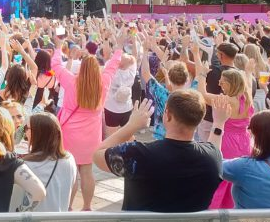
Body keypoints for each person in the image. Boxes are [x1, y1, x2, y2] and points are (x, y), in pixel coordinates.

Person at [93, 91, 222, 212]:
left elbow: (97, 155)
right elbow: (214, 148)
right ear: (200, 118)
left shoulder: (138, 154)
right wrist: (219, 123)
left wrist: (132, 125)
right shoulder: (212, 158)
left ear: (168, 115)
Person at [52, 38, 121, 211]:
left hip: (69, 133)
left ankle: (68, 207)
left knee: (72, 171)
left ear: (81, 68)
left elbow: (56, 66)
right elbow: (113, 65)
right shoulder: (103, 82)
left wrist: (59, 46)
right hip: (92, 134)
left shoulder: (71, 81)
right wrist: (118, 48)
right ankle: (87, 206)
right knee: (87, 171)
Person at [194, 48, 253, 209]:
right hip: (245, 142)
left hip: (227, 141)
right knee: (237, 176)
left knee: (221, 176)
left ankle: (216, 207)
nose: (219, 83)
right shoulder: (247, 98)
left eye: (222, 81)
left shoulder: (226, 100)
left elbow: (202, 95)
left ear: (231, 83)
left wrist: (202, 75)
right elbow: (246, 80)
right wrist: (247, 72)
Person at [23, 112, 78, 212]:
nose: (25, 132)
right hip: (58, 219)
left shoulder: (28, 165)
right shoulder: (69, 159)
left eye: (27, 128)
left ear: (38, 133)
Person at [198, 42, 238, 141]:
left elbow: (203, 95)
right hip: (230, 120)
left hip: (210, 118)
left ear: (221, 55)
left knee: (207, 151)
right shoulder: (240, 74)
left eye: (217, 53)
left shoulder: (212, 71)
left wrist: (202, 75)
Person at [104, 52, 138, 137]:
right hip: (127, 107)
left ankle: (113, 150)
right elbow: (134, 58)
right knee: (128, 134)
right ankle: (130, 149)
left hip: (111, 107)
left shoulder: (112, 72)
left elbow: (108, 59)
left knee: (111, 135)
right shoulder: (132, 72)